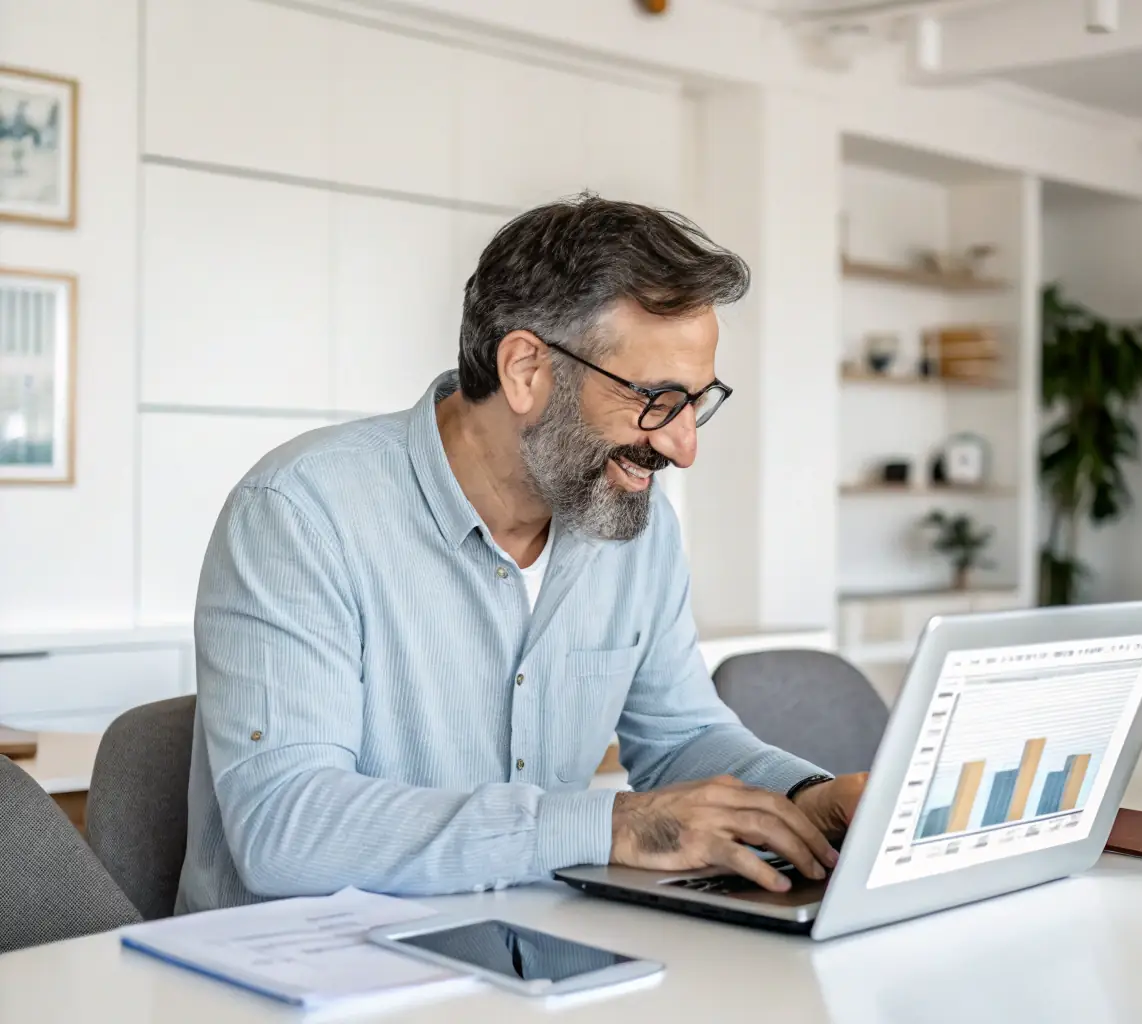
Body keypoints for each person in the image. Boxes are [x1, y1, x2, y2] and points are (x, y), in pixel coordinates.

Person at [177, 194, 867, 914]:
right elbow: (285, 826)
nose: (681, 446)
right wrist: (608, 824)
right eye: (657, 399)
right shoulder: (301, 512)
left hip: (521, 943)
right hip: (293, 968)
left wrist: (807, 801)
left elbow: (681, 735)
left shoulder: (631, 519)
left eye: (697, 401)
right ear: (526, 369)